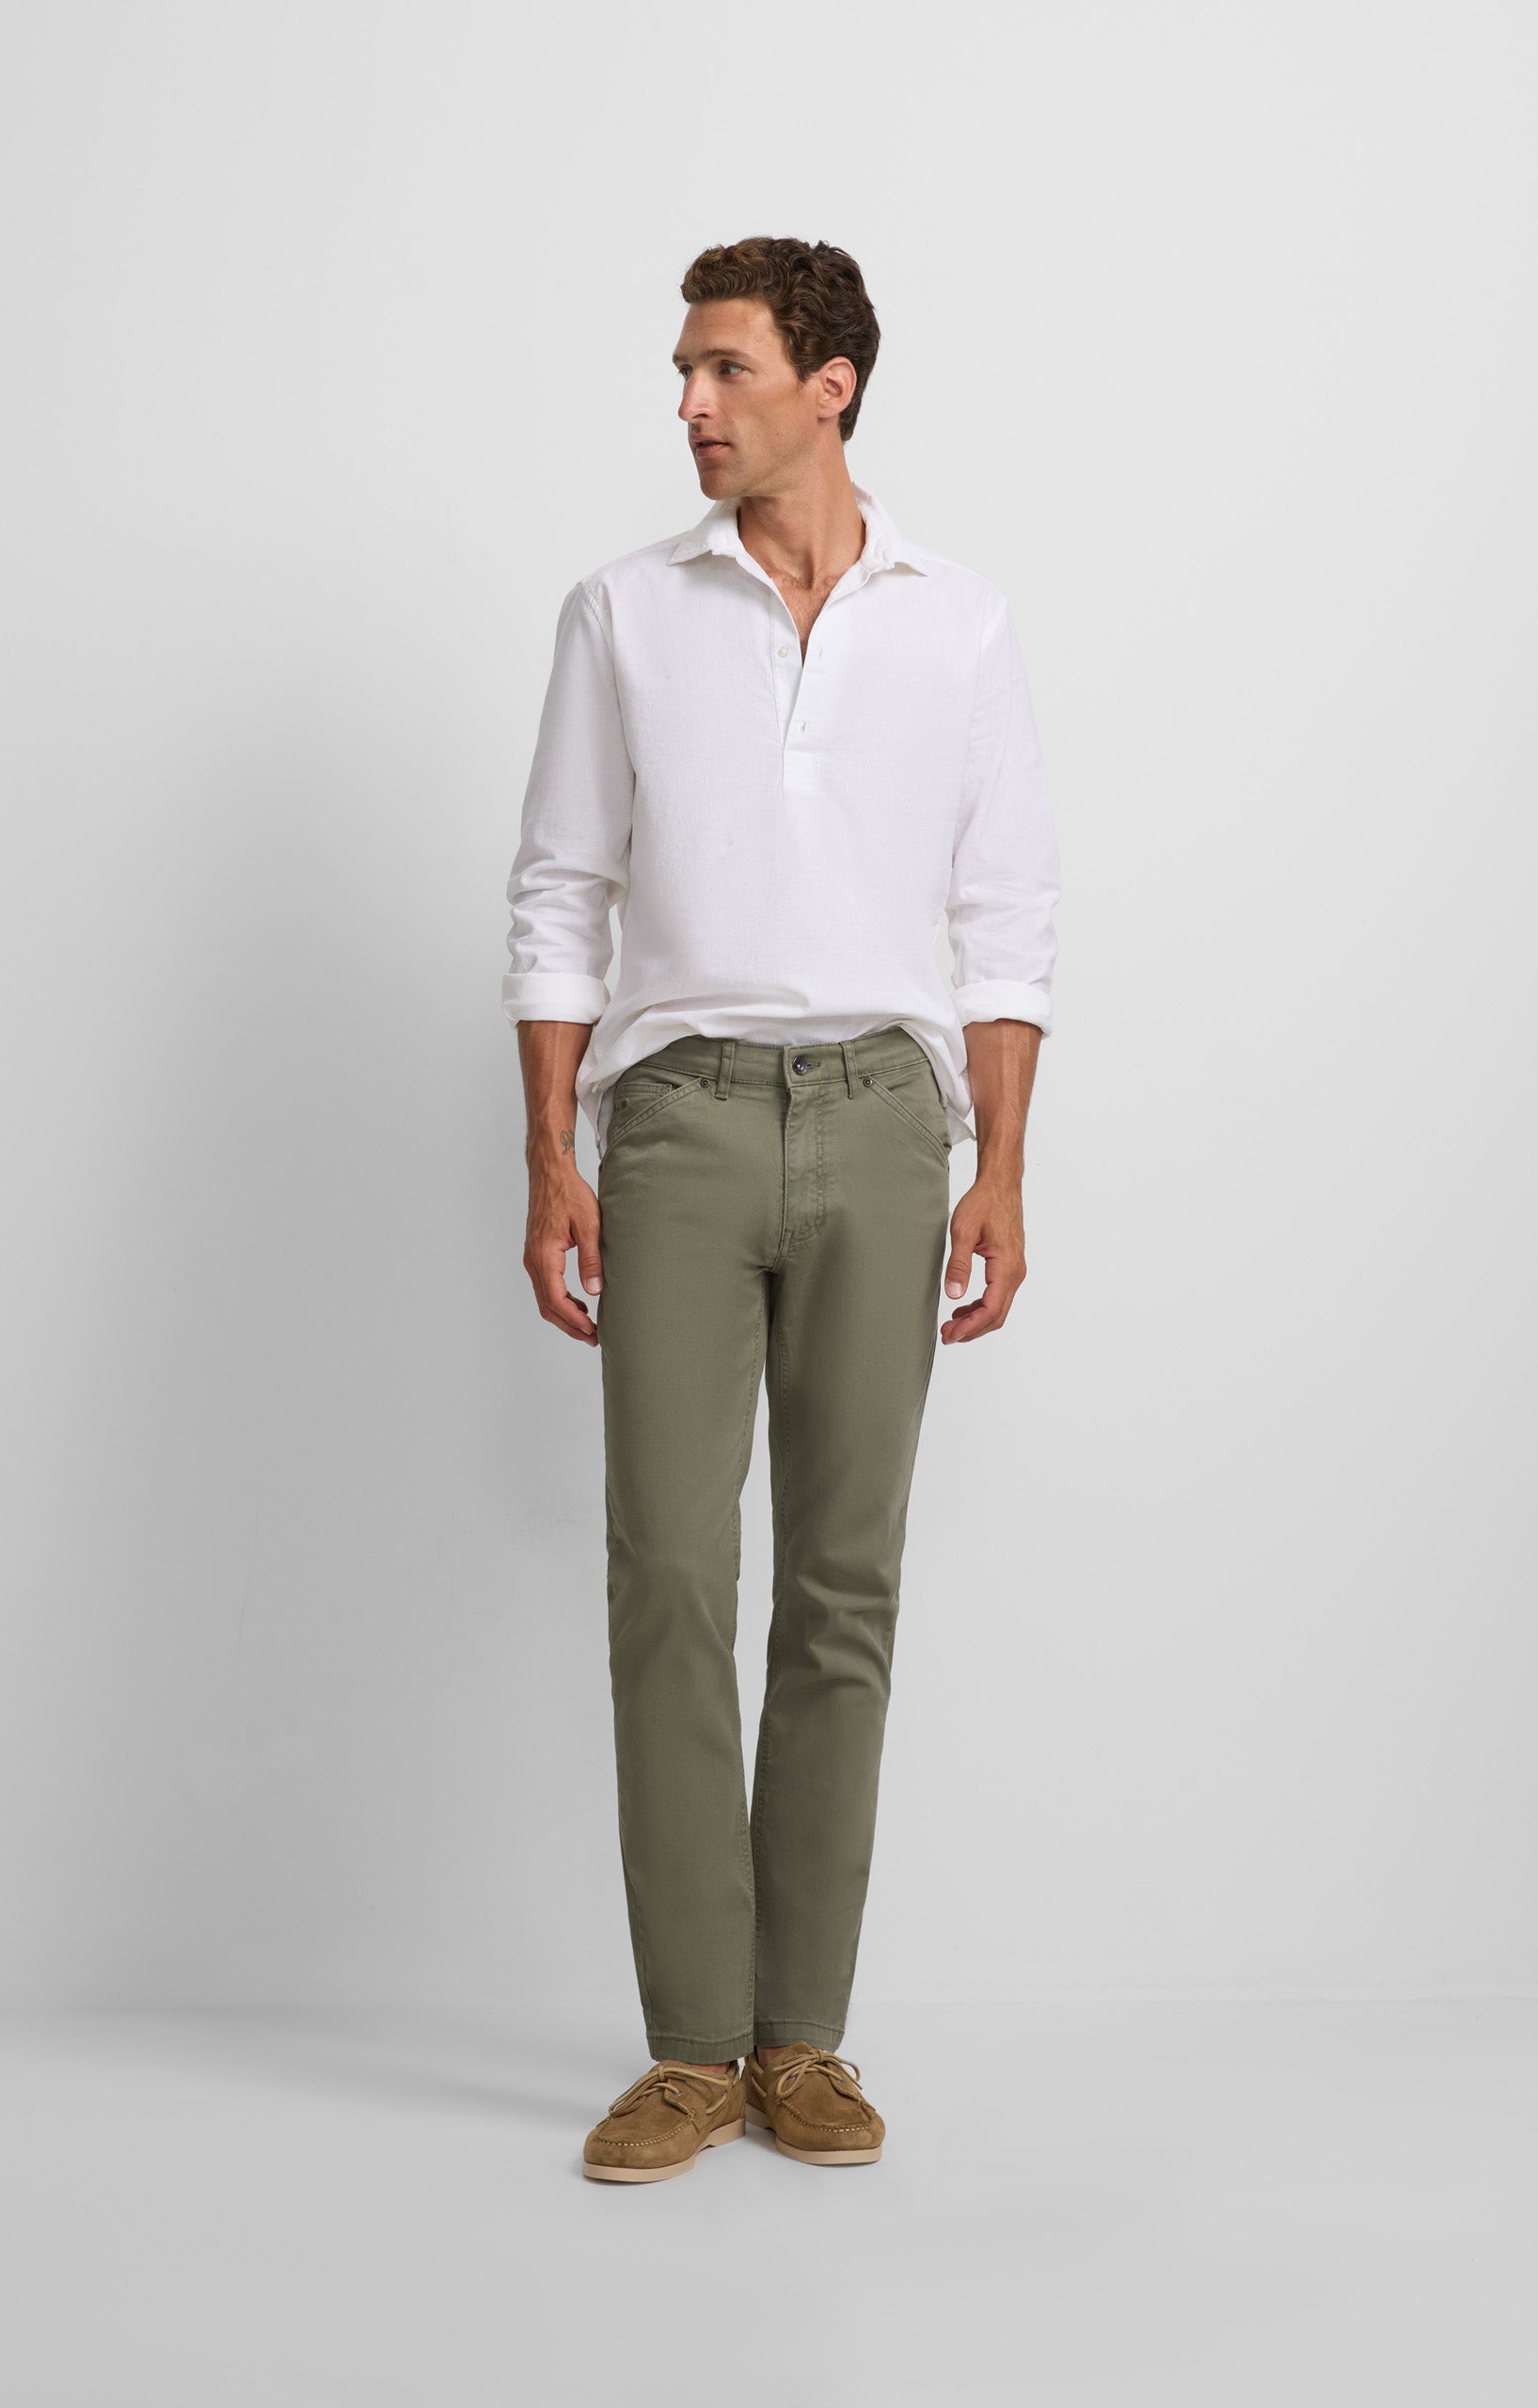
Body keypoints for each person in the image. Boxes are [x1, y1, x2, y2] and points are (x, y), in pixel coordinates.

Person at [501, 236, 1059, 2182]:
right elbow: (558, 890)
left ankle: (800, 2036)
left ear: (832, 385)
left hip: (890, 1122)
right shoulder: (623, 611)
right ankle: (689, 2049)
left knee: (844, 1586)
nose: (689, 404)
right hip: (679, 1119)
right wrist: (553, 1154)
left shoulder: (960, 622)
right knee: (667, 1573)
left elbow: (1007, 915)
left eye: (724, 367)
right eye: (683, 370)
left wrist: (1001, 1165)